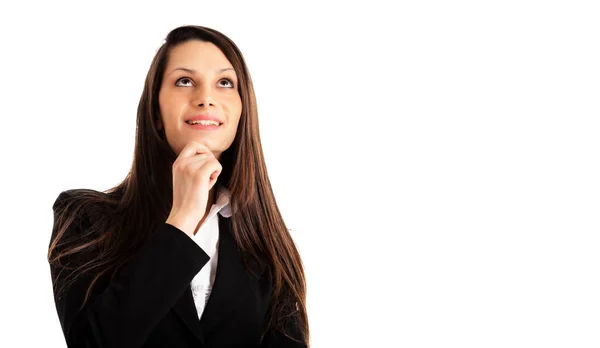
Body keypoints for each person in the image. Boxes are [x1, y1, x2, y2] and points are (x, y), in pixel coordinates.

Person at [47, 25, 309, 348]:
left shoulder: (267, 246)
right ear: (156, 111)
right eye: (185, 81)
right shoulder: (84, 219)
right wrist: (182, 220)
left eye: (224, 83)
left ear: (242, 111)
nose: (206, 98)